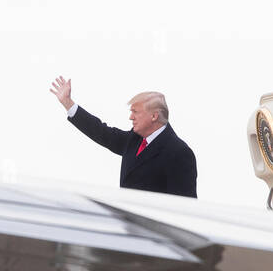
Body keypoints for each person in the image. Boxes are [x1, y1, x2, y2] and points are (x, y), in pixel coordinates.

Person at [49, 75, 198, 198]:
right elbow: (102, 132)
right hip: (128, 225)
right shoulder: (134, 139)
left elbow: (185, 207)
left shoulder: (179, 153)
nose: (131, 117)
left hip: (152, 231)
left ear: (154, 116)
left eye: (135, 112)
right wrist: (68, 104)